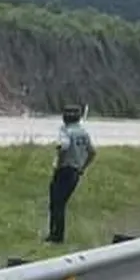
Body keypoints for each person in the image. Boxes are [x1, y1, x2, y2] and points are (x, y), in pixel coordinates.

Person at [46, 104, 97, 244]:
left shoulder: (66, 131)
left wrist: (58, 165)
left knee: (56, 204)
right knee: (61, 203)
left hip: (63, 170)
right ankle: (56, 235)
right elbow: (92, 152)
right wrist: (83, 167)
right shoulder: (83, 133)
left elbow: (64, 147)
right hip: (75, 172)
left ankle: (56, 236)